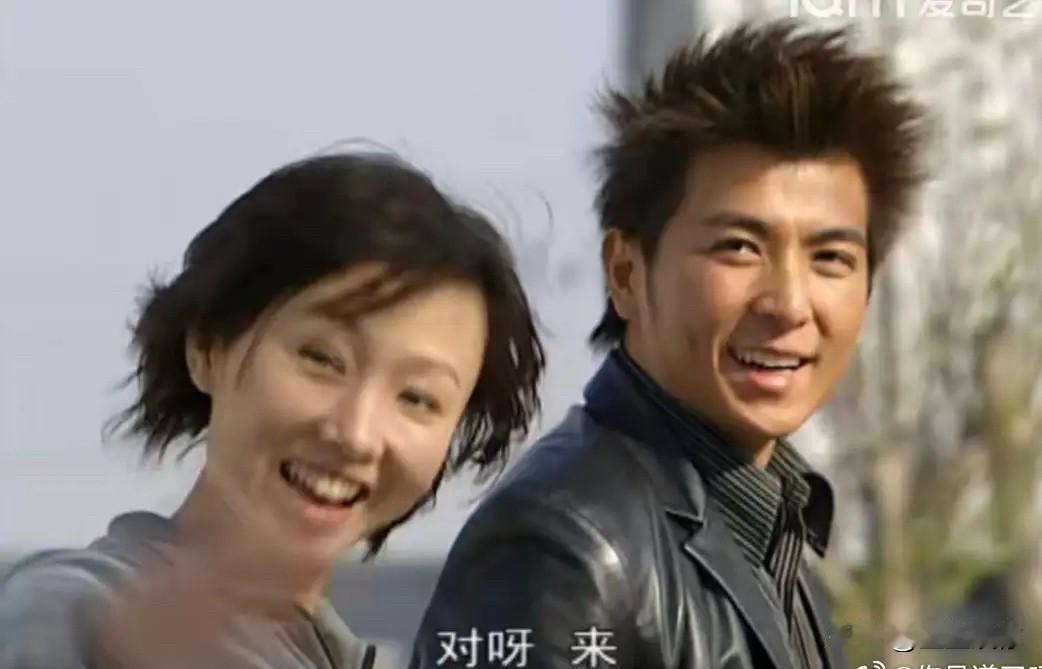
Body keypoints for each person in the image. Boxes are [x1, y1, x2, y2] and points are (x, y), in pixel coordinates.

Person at [410, 20, 929, 669]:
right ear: (626, 273)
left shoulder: (778, 535)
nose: (790, 304)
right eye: (739, 247)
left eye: (830, 258)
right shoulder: (560, 547)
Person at [0, 152, 545, 668]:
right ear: (207, 348)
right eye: (322, 359)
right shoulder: (73, 621)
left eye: (417, 398)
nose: (356, 434)